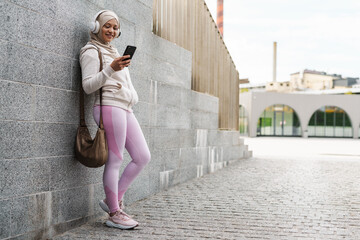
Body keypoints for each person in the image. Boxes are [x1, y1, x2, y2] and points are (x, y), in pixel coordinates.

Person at [79, 10, 151, 230]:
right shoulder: (91, 51)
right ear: (96, 27)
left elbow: (123, 83)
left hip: (125, 108)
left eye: (115, 27)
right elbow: (88, 86)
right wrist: (111, 69)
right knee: (115, 160)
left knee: (142, 156)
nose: (111, 30)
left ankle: (113, 200)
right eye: (107, 26)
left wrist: (132, 95)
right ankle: (113, 213)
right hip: (109, 107)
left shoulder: (114, 51)